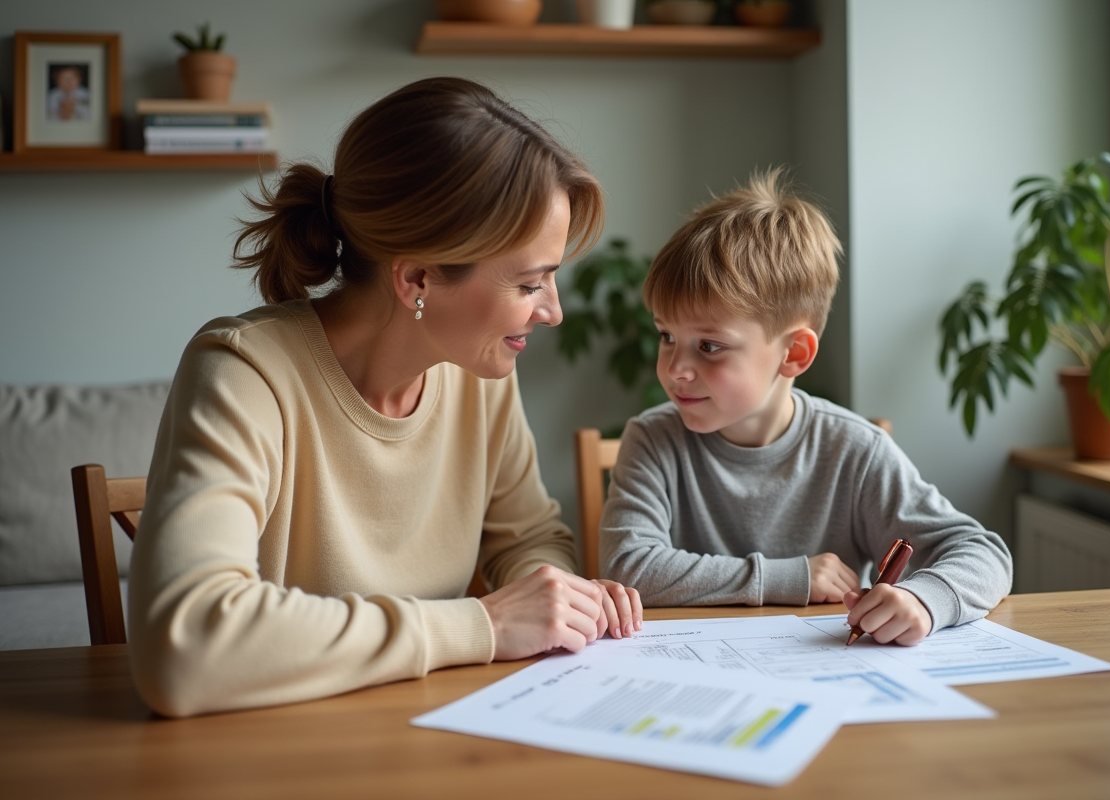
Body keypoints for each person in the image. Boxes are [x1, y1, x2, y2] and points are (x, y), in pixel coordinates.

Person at [128, 77, 642, 718]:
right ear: (418, 278)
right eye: (530, 283)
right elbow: (184, 647)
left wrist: (552, 596)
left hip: (434, 729)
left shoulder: (478, 375)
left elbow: (528, 535)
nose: (553, 311)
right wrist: (480, 627)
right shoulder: (244, 373)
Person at [599, 170, 1011, 646]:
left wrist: (924, 599)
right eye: (667, 336)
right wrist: (791, 578)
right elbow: (629, 567)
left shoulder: (856, 450)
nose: (675, 369)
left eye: (709, 346)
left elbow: (982, 553)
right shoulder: (652, 439)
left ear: (793, 354)